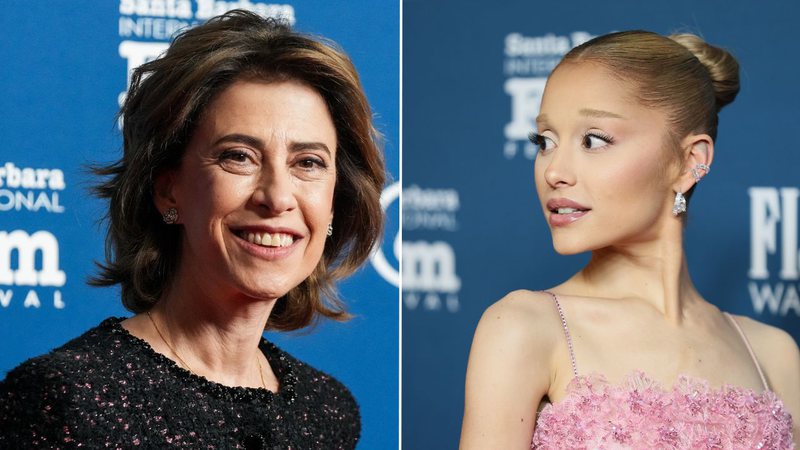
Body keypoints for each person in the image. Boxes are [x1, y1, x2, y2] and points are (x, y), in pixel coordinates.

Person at [0, 10, 385, 449]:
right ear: (169, 191)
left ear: (337, 198)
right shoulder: (66, 398)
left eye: (308, 163)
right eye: (239, 156)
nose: (278, 197)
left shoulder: (327, 412)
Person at [460, 30, 798, 449]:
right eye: (544, 141)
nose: (553, 171)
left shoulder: (774, 355)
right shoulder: (524, 328)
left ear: (690, 162)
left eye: (594, 140)